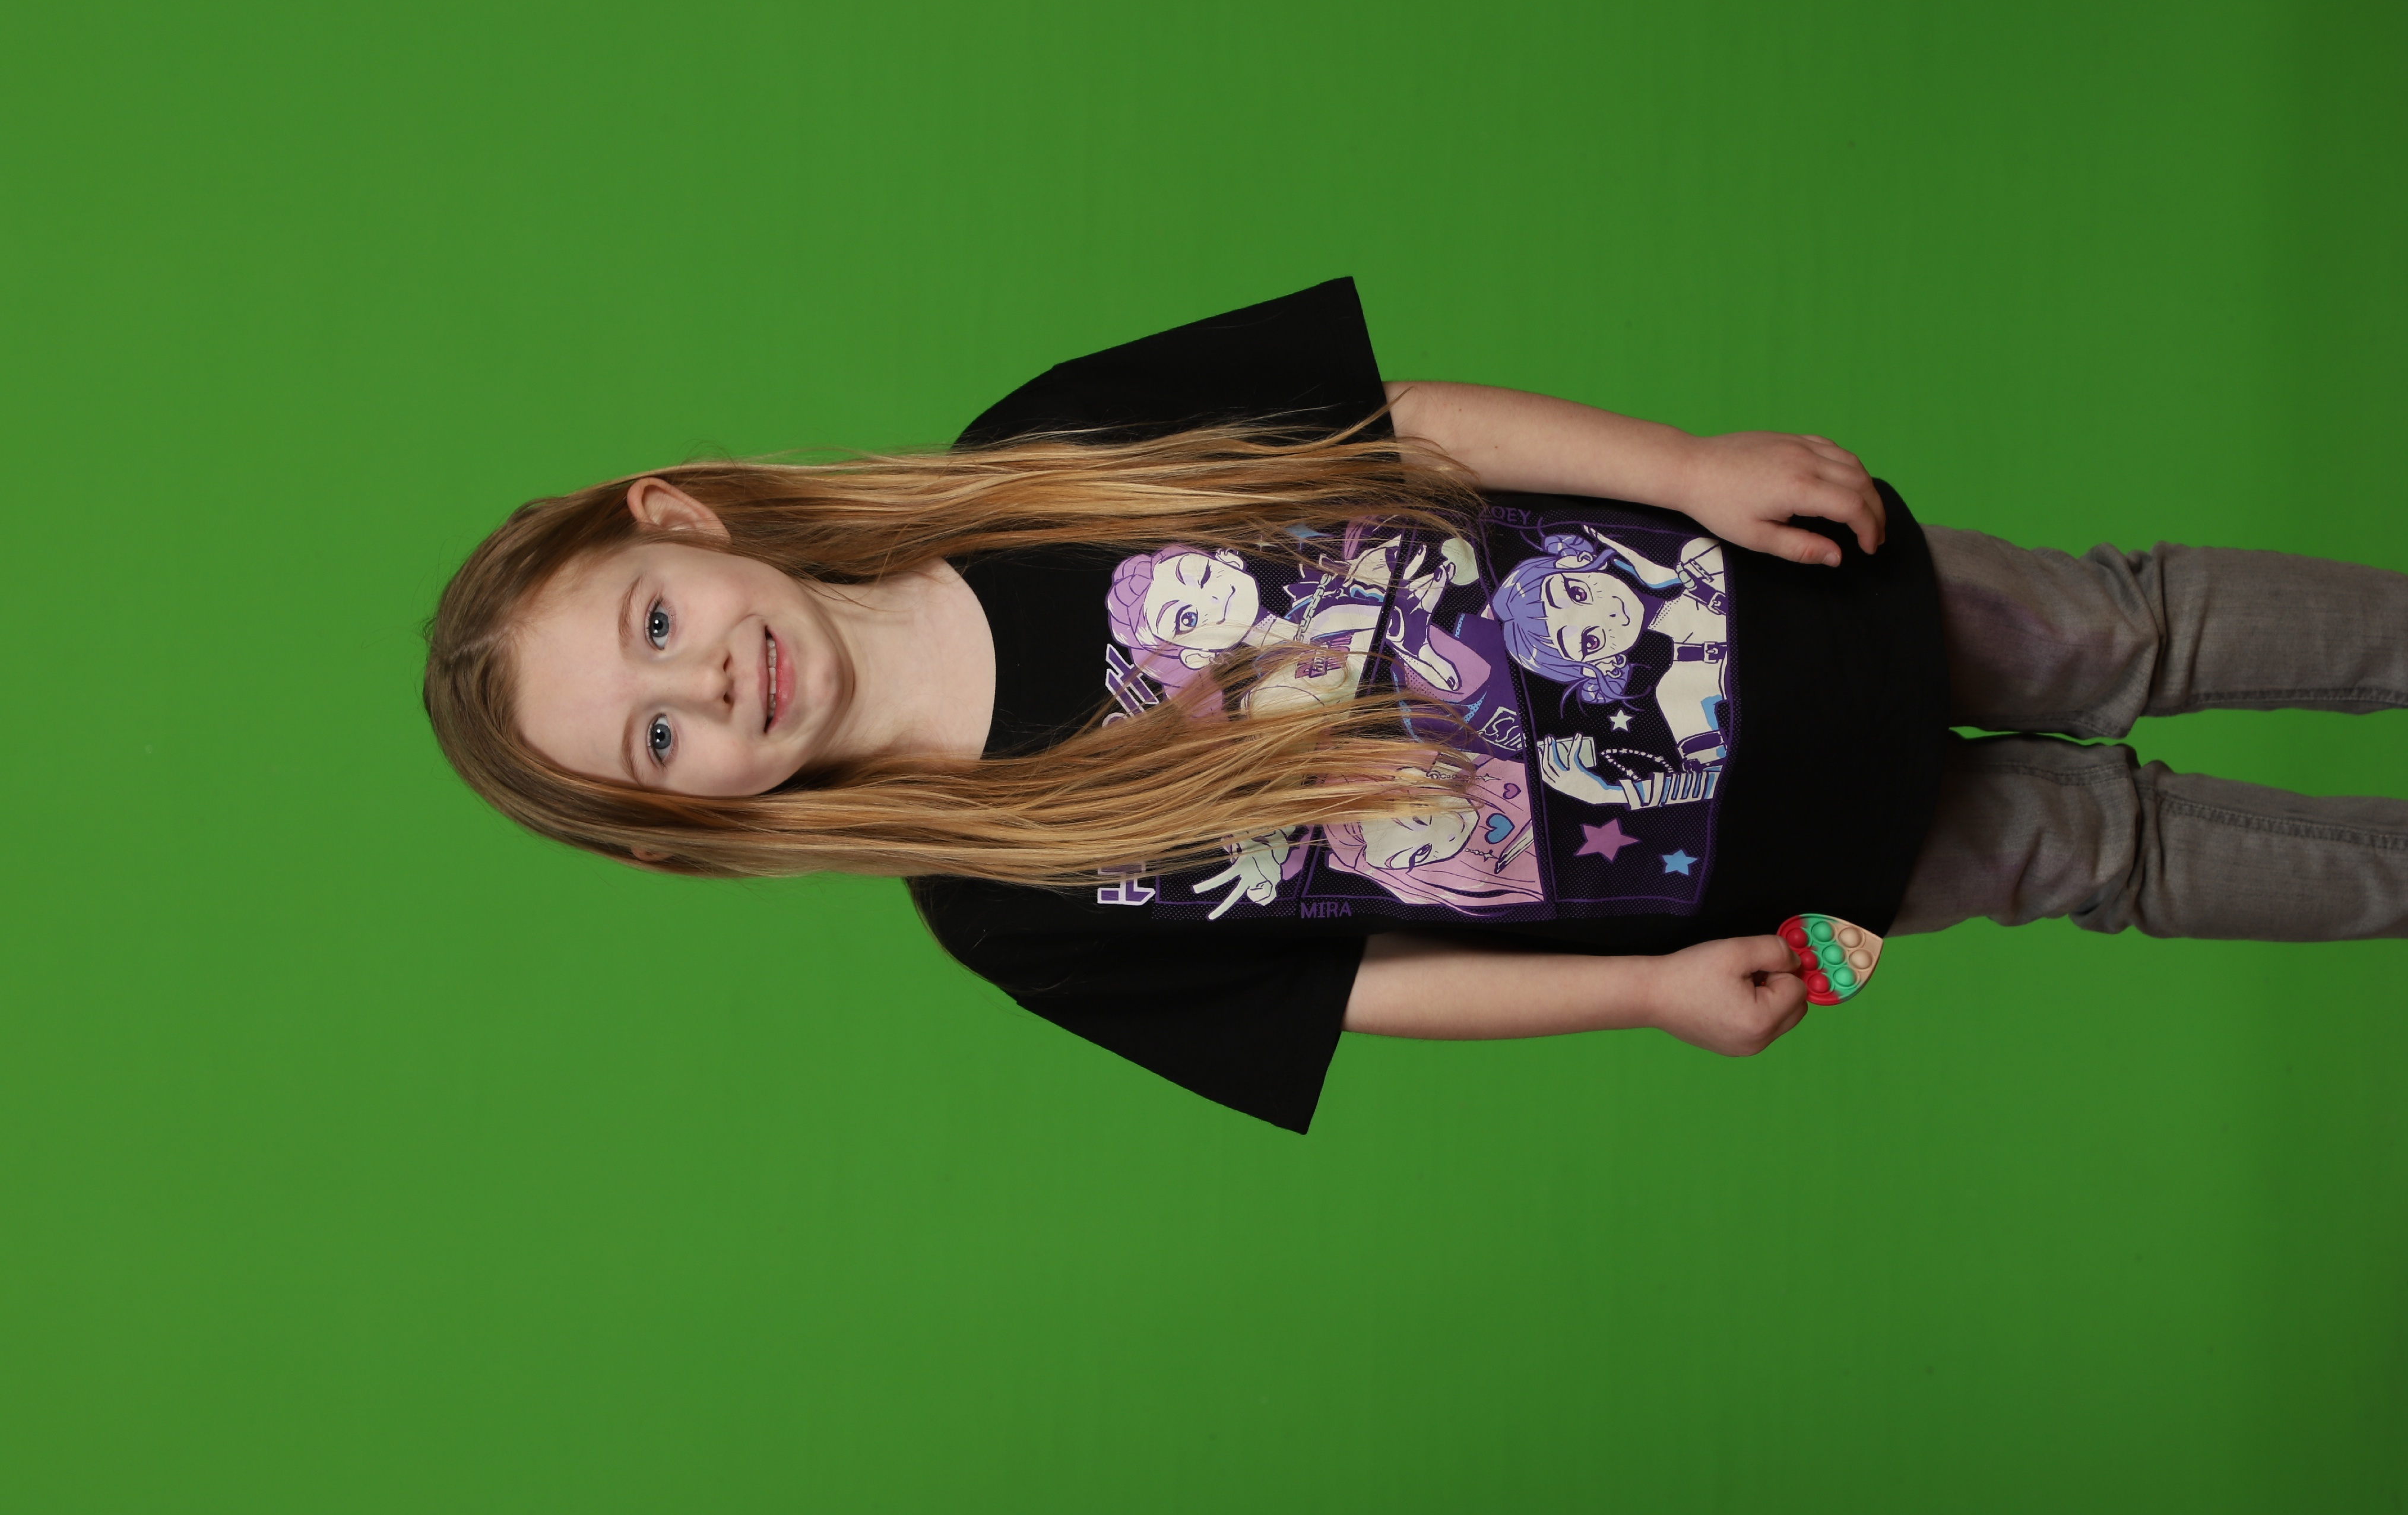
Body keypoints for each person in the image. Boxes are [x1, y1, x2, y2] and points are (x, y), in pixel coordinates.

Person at [424, 279, 2408, 1133]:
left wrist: (1688, 466)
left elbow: (1400, 427)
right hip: (1736, 862)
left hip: (1761, 597)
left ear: (678, 519)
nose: (709, 680)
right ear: (686, 817)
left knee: (2117, 630)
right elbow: (1357, 989)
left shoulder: (1034, 456)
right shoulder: (1003, 910)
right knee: (2107, 855)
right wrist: (1645, 992)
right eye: (659, 735)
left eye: (657, 622)